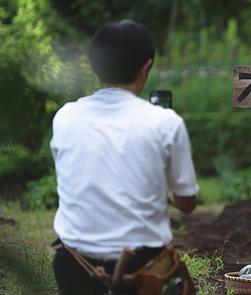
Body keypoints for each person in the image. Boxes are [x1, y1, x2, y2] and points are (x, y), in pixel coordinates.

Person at [50, 19, 198, 295]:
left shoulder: (65, 117)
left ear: (95, 67)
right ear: (147, 66)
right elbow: (187, 203)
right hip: (142, 269)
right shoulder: (165, 123)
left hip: (73, 267)